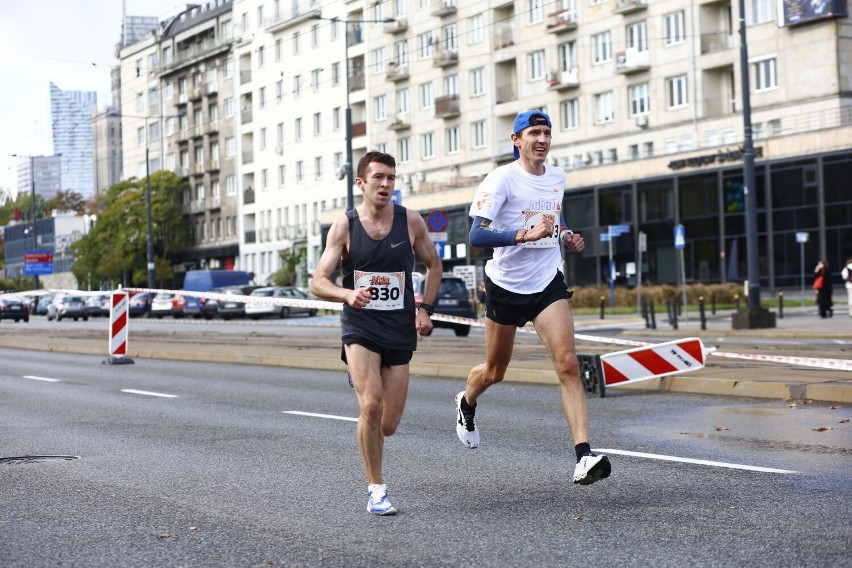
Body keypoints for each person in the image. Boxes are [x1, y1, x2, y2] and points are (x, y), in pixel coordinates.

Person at [456, 110, 611, 486]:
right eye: (533, 133)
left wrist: (567, 235)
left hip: (546, 282)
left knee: (569, 365)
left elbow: (554, 217)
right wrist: (522, 235)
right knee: (495, 371)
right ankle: (467, 402)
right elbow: (476, 235)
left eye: (546, 133)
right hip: (505, 285)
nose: (541, 140)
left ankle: (583, 456)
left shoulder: (557, 176)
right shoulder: (501, 179)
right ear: (516, 140)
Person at [310, 151, 442, 516]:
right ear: (361, 183)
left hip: (399, 329)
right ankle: (376, 489)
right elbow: (319, 282)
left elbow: (434, 264)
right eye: (378, 178)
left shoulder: (411, 222)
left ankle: (363, 379)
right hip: (361, 326)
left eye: (391, 178)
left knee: (388, 424)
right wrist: (347, 293)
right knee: (370, 405)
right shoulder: (345, 227)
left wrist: (425, 309)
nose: (386, 185)